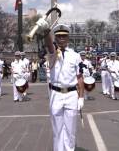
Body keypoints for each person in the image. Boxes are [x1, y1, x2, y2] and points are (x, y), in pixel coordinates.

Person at [40, 20, 84, 151]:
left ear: (68, 38)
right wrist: (46, 31)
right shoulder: (53, 53)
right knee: (57, 129)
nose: (61, 38)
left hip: (71, 94)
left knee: (70, 130)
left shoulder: (76, 56)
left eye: (64, 36)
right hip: (56, 94)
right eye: (58, 36)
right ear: (56, 38)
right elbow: (49, 44)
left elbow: (80, 78)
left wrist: (81, 97)